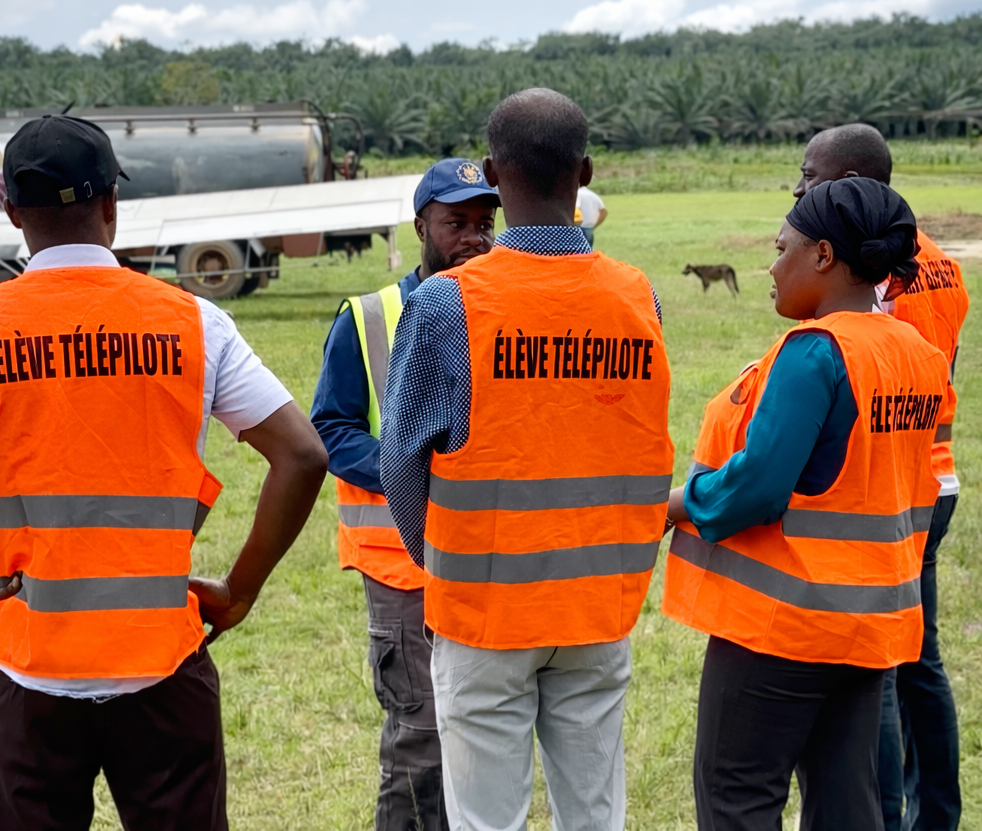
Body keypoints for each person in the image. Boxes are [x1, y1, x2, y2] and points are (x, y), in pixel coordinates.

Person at [0, 115, 328, 831]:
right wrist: (241, 590)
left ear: (11, 214)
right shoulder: (194, 322)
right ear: (111, 204)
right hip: (161, 661)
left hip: (24, 663)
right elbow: (303, 455)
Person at [380, 88, 672, 831]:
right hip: (598, 607)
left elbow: (401, 464)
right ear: (585, 172)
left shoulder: (446, 305)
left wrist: (442, 562)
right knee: (595, 813)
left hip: (483, 612)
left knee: (485, 819)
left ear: (490, 171)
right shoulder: (638, 298)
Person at [661, 178, 949, 831]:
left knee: (737, 796)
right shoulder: (919, 356)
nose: (769, 264)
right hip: (869, 628)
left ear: (823, 255)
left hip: (782, 628)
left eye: (780, 246)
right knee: (848, 804)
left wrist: (673, 504)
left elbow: (759, 487)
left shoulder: (815, 352)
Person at [310, 157, 498, 831]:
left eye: (484, 222)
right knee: (419, 738)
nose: (473, 237)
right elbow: (328, 427)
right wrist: (409, 468)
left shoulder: (506, 312)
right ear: (420, 225)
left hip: (487, 560)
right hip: (401, 563)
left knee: (480, 733)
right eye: (456, 223)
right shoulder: (367, 318)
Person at [794, 124, 967, 831]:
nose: (799, 189)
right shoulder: (942, 265)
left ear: (856, 182)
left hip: (894, 483)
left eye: (812, 176)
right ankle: (938, 814)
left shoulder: (874, 276)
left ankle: (886, 818)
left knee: (885, 666)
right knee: (919, 659)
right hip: (934, 474)